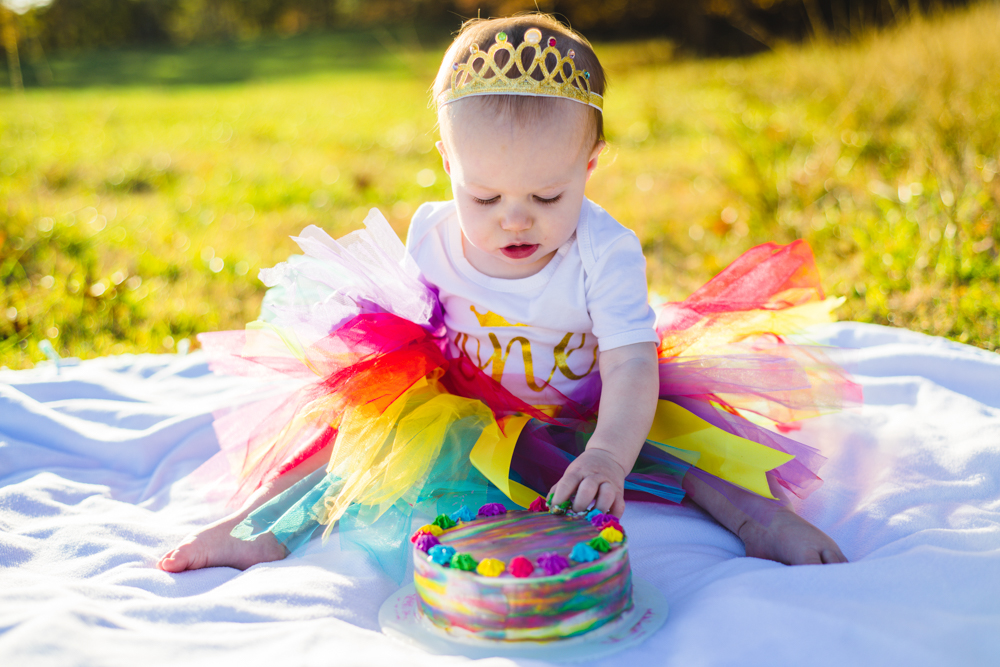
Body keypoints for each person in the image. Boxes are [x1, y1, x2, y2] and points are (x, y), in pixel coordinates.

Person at [159, 15, 856, 577]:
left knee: (682, 451)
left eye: (547, 196)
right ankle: (256, 527)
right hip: (468, 407)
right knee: (348, 438)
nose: (515, 220)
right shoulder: (432, 233)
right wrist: (375, 394)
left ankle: (759, 518)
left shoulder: (605, 250)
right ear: (448, 165)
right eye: (485, 197)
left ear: (589, 166)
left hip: (587, 410)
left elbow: (631, 365)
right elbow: (408, 335)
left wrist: (608, 455)